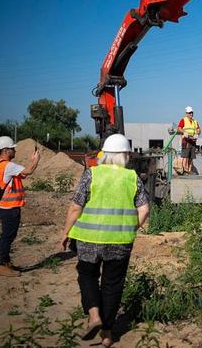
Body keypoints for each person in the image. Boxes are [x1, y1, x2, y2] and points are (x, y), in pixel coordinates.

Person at [60, 133, 150, 347]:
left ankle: (93, 315)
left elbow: (75, 206)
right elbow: (144, 209)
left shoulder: (91, 174)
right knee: (112, 284)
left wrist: (66, 232)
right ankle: (108, 334)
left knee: (87, 275)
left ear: (105, 154)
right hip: (120, 241)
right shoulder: (132, 177)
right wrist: (131, 227)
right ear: (125, 156)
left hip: (89, 239)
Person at [0, 136, 40, 277]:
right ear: (6, 150)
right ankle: (2, 265)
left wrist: (31, 161)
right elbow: (29, 171)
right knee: (7, 236)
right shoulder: (8, 166)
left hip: (6, 207)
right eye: (12, 148)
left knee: (8, 235)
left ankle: (6, 262)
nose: (15, 150)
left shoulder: (1, 164)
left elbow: (22, 174)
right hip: (9, 208)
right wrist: (37, 159)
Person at [177, 106, 201, 175]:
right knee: (185, 156)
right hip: (186, 140)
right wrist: (184, 132)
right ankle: (185, 170)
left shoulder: (195, 121)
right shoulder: (183, 120)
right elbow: (179, 128)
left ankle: (189, 170)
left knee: (191, 157)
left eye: (192, 113)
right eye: (189, 113)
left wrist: (197, 134)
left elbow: (199, 129)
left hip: (193, 141)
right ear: (186, 113)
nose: (191, 114)